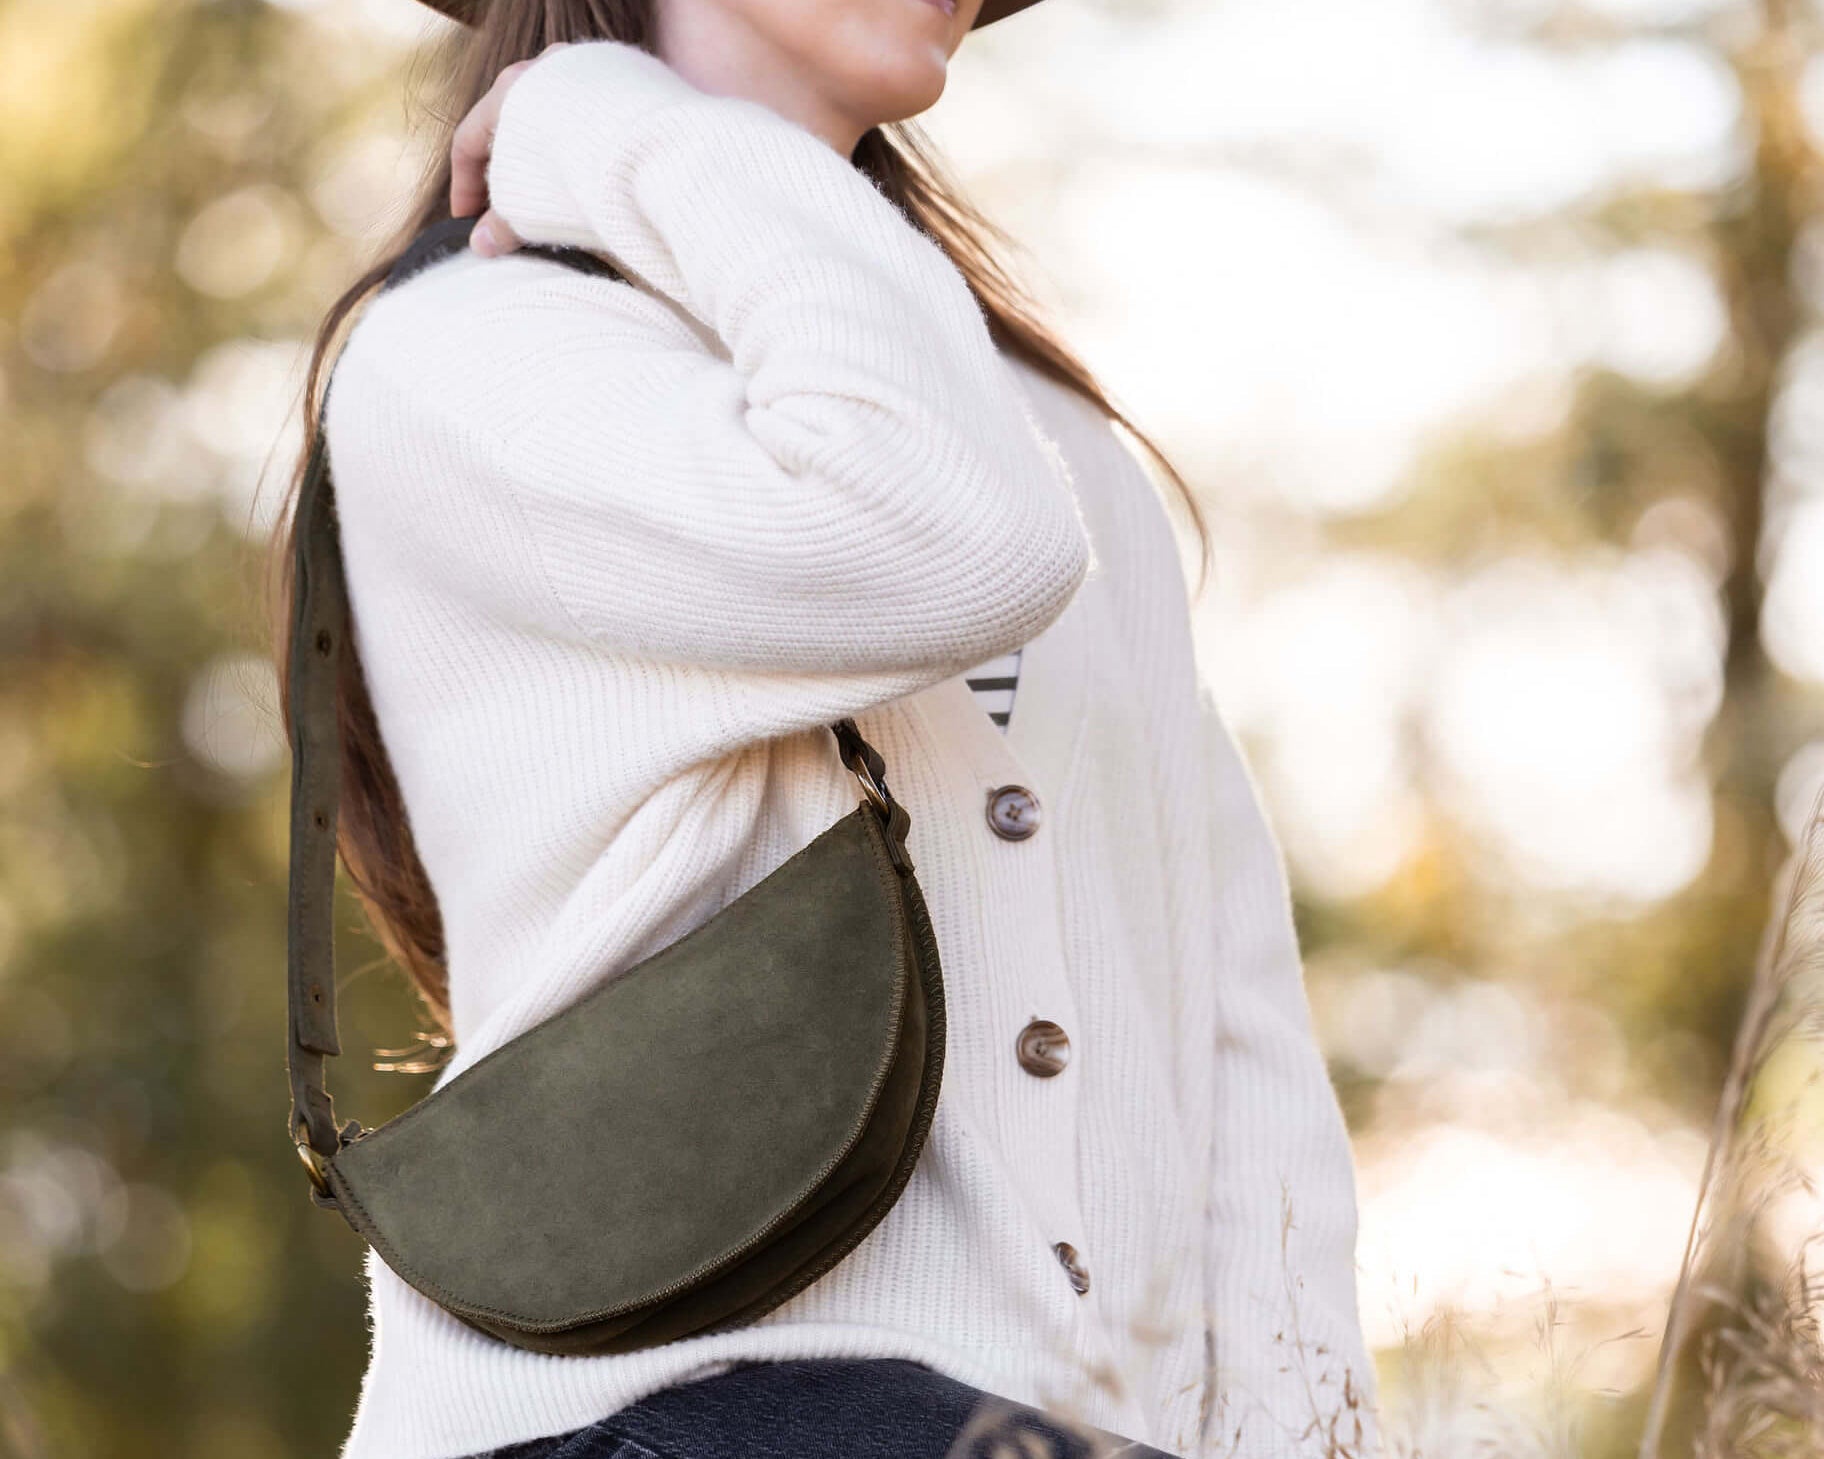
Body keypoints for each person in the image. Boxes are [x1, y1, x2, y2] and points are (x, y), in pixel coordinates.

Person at [273, 1, 1383, 1456]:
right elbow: (950, 530)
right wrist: (616, 124)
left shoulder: (1046, 428)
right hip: (647, 1413)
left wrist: (1308, 1432)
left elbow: (1231, 1011)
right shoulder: (469, 356)